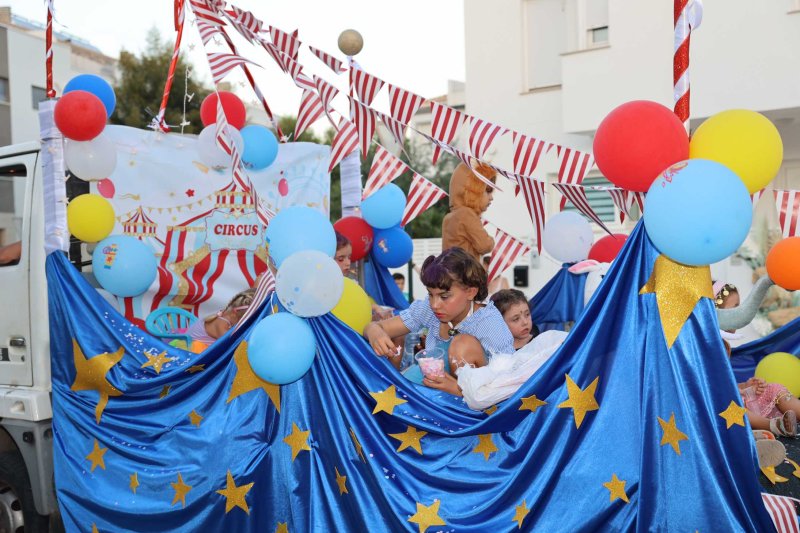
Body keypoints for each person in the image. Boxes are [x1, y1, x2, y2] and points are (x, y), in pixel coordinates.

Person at [363, 247, 514, 396]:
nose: (435, 304)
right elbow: (376, 327)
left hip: (475, 402)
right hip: (432, 383)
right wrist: (375, 332)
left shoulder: (488, 322)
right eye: (430, 294)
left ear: (470, 292)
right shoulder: (428, 309)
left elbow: (509, 381)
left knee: (463, 344)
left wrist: (458, 390)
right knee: (391, 337)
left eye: (444, 296)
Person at [714, 281, 798, 437]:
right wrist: (738, 392)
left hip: (737, 396)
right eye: (734, 307)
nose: (739, 312)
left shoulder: (725, 345)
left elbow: (727, 381)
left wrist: (746, 386)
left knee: (773, 388)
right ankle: (773, 426)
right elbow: (714, 388)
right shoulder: (707, 347)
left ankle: (793, 415)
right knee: (732, 407)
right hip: (722, 404)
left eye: (740, 306)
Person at [441, 162, 496, 263]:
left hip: (451, 274)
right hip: (466, 275)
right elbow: (485, 245)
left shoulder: (449, 217)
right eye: (488, 191)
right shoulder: (466, 214)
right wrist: (491, 241)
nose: (491, 197)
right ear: (474, 191)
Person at [186, 288, 256, 348]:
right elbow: (231, 344)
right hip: (192, 350)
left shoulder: (225, 314)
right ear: (235, 313)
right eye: (241, 320)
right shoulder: (222, 324)